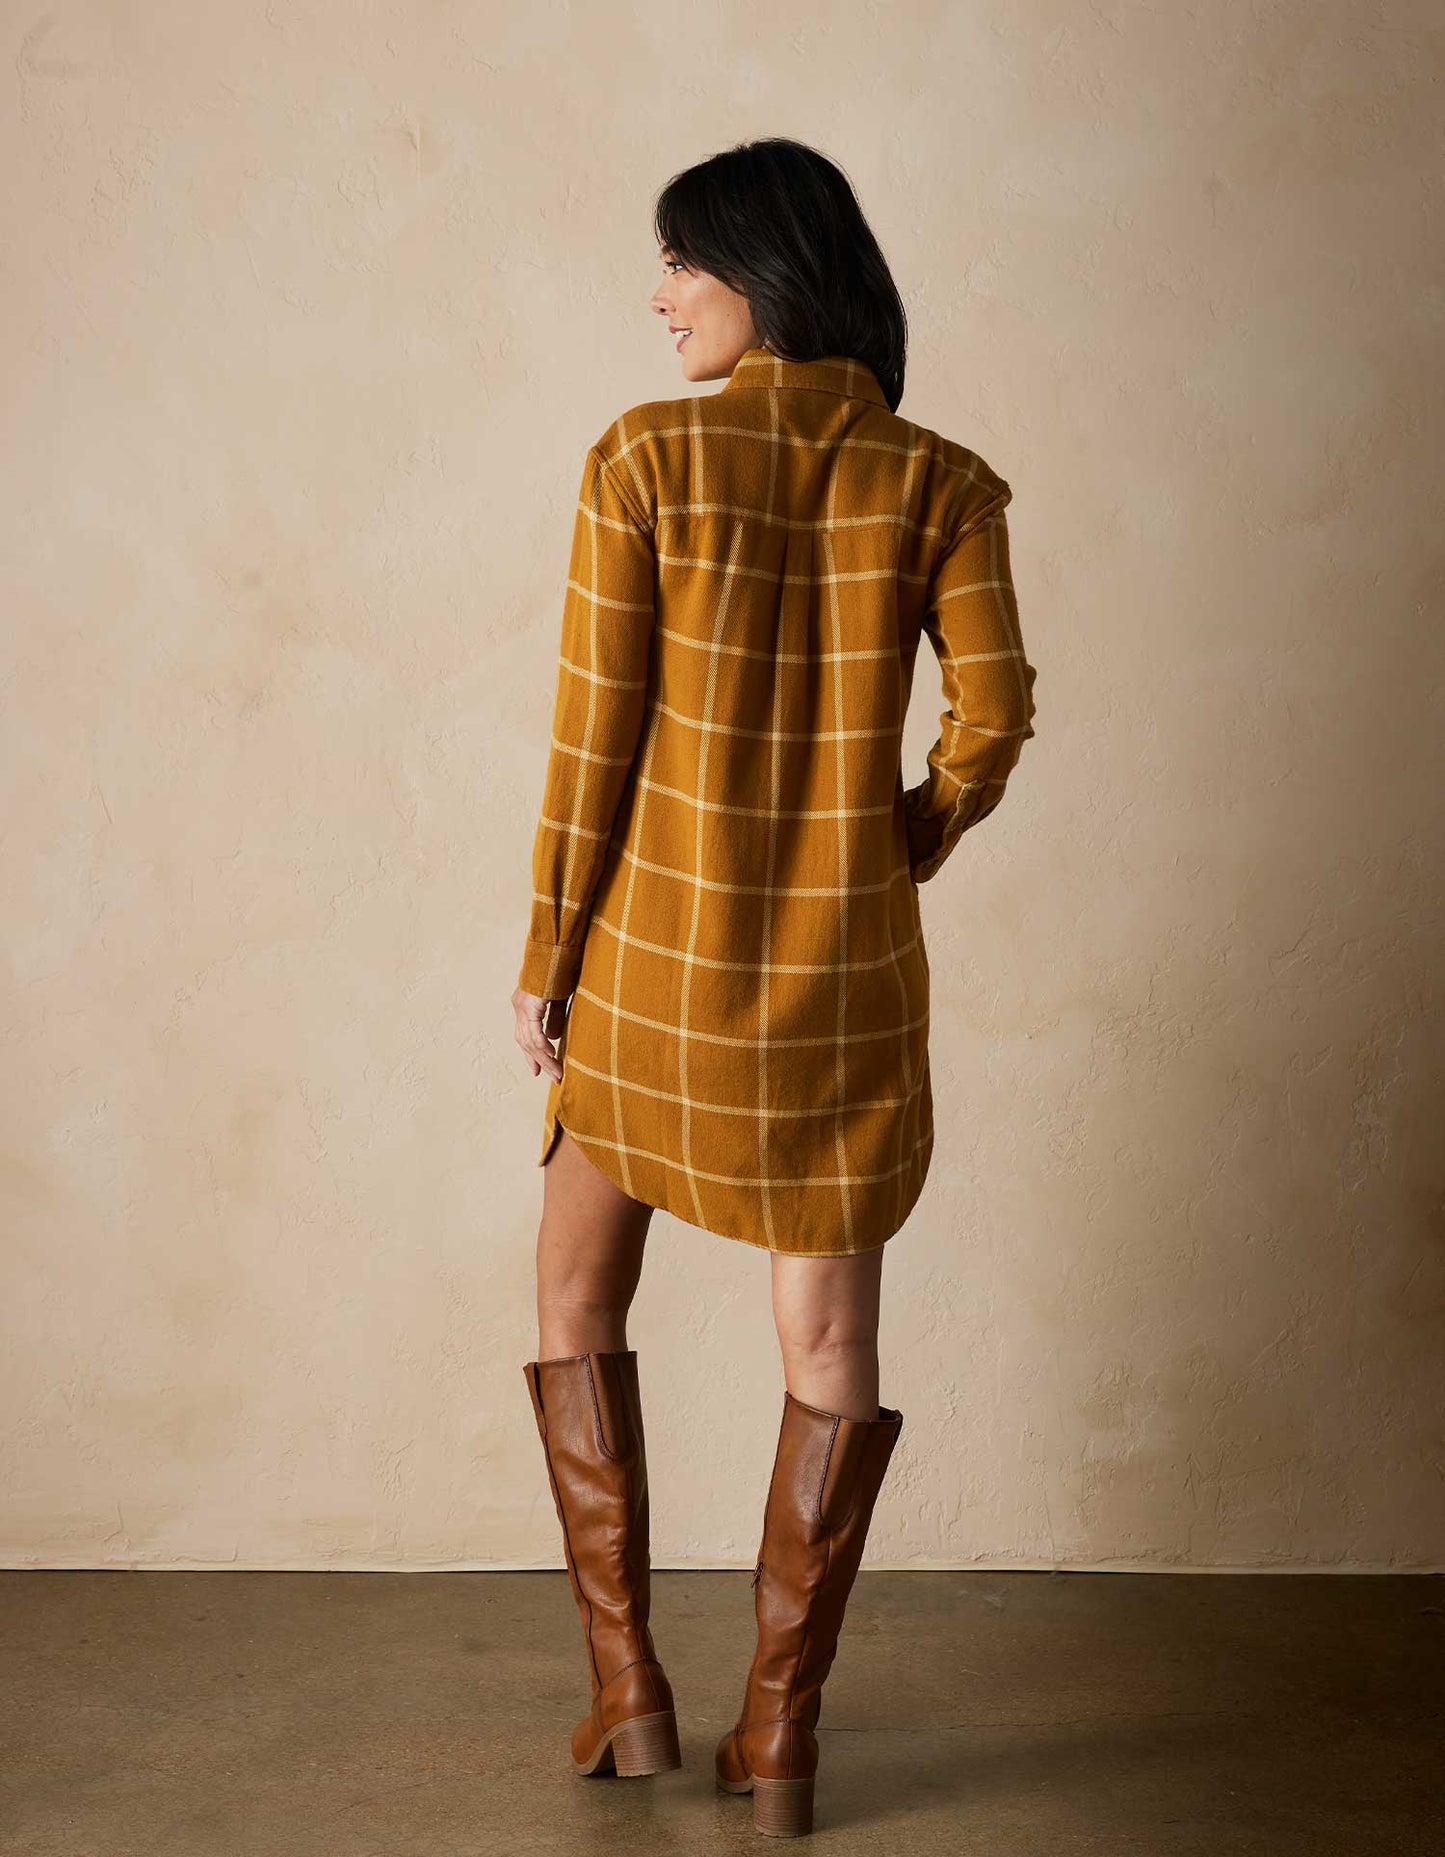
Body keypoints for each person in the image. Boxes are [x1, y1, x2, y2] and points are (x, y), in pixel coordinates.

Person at [512, 137, 1037, 1838]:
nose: (660, 295)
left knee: (575, 1296)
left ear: (760, 269)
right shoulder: (940, 480)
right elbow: (992, 716)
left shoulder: (644, 456)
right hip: (839, 995)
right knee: (830, 1342)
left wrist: (546, 952)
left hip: (651, 977)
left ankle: (627, 1688)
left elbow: (592, 740)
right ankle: (780, 1736)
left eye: (681, 261)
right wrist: (898, 840)